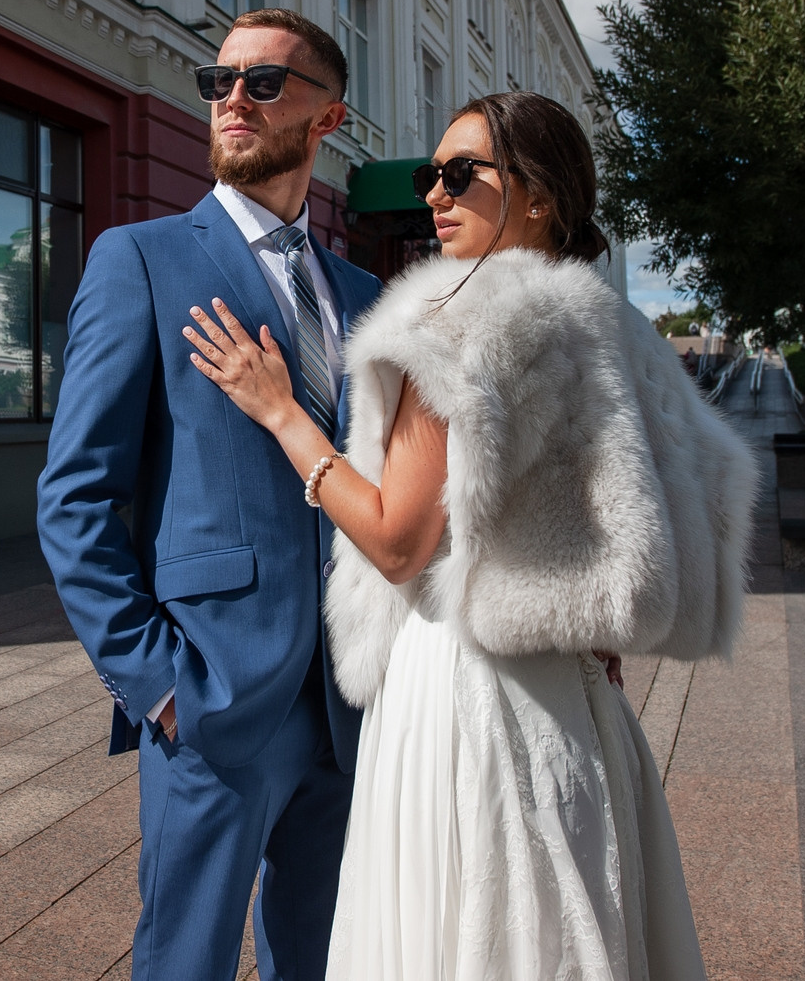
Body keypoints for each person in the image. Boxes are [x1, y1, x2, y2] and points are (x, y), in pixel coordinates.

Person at [184, 91, 757, 980]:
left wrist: (284, 414)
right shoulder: (616, 329)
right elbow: (696, 495)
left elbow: (397, 544)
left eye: (461, 173)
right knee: (561, 923)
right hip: (576, 697)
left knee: (460, 925)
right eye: (430, 174)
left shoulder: (455, 322)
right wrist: (594, 606)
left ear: (540, 196)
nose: (434, 194)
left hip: (461, 686)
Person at [37, 9, 383, 980]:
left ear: (327, 117)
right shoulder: (141, 258)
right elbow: (74, 496)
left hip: (349, 701)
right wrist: (158, 684)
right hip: (215, 695)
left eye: (263, 82)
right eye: (217, 79)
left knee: (322, 957)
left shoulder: (363, 295)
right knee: (184, 960)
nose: (232, 97)